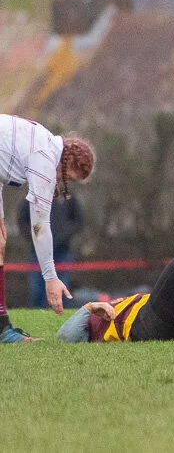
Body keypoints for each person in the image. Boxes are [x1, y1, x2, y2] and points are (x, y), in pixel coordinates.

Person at [0, 114, 94, 344]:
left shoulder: (44, 142)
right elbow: (40, 226)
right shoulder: (45, 159)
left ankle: (2, 329)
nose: (62, 184)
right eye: (68, 178)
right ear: (67, 163)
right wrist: (51, 278)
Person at [57, 250, 174, 343]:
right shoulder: (90, 321)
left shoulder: (111, 305)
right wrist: (89, 307)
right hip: (140, 326)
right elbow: (64, 337)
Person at [18, 195, 83, 309]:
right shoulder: (32, 197)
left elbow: (77, 221)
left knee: (63, 286)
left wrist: (63, 236)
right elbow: (23, 222)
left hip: (62, 251)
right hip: (38, 253)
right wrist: (36, 236)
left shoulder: (68, 198)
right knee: (37, 288)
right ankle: (37, 314)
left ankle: (62, 313)